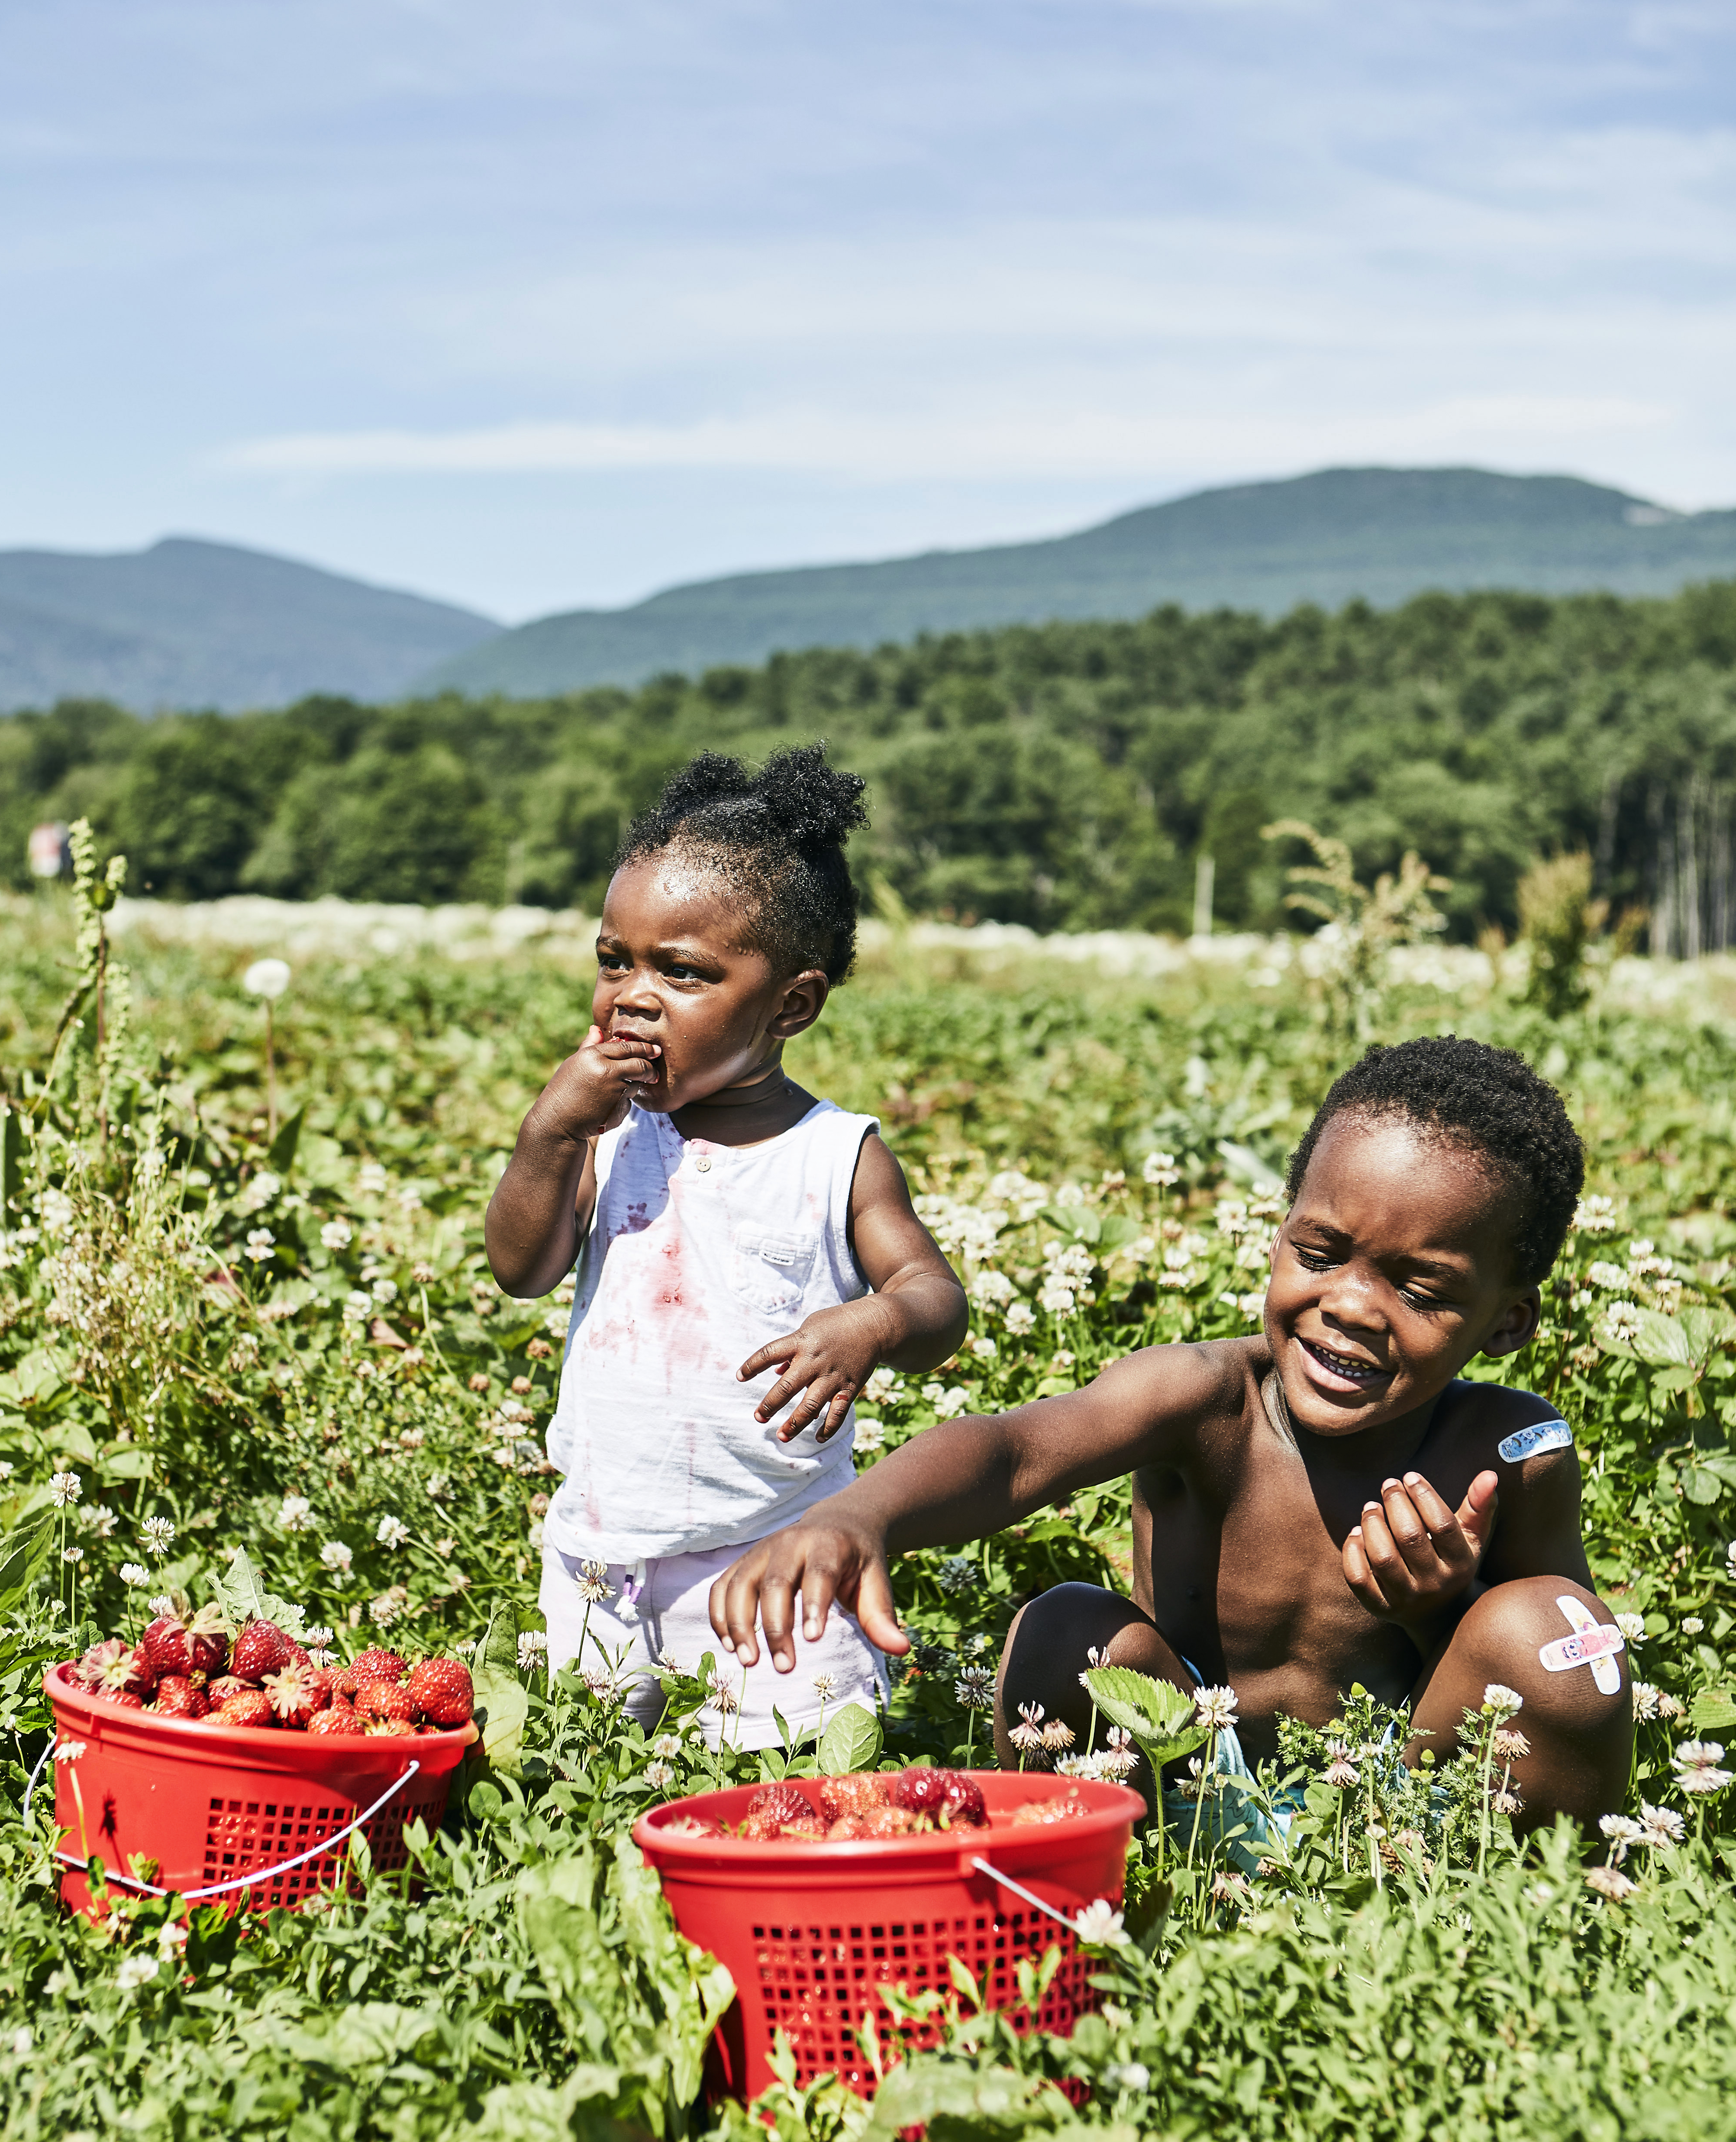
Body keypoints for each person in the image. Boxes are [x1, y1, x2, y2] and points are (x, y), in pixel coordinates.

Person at [707, 1035, 1632, 1833]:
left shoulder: (1511, 1451)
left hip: (1397, 1805)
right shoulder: (1204, 1399)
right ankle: (1075, 1874)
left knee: (1547, 1632)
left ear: (1505, 1323)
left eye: (1420, 1290)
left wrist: (1440, 1605)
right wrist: (859, 1515)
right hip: (1179, 1772)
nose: (1348, 1306)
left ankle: (1508, 1908)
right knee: (1066, 1626)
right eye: (1316, 1253)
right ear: (1277, 1235)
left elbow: (1567, 1681)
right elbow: (1016, 1448)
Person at [485, 745, 968, 1747]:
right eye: (613, 958)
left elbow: (936, 1300)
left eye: (683, 971)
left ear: (791, 1003)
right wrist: (548, 1133)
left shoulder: (834, 1156)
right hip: (600, 1552)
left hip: (771, 1553)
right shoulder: (604, 1127)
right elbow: (519, 1268)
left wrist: (872, 1322)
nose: (631, 994)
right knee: (584, 1771)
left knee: (789, 1783)